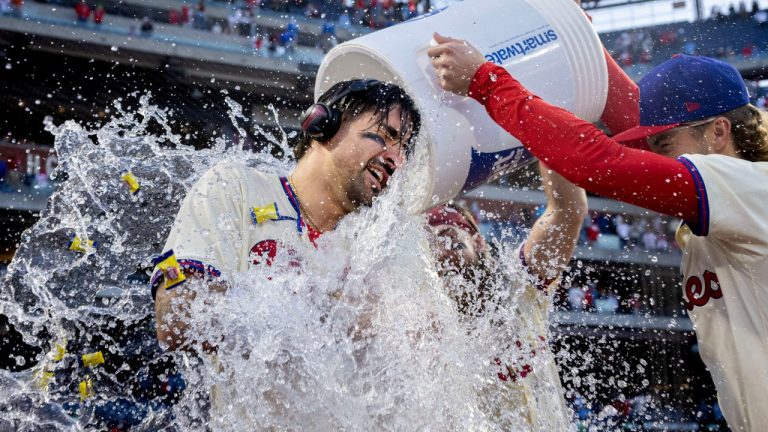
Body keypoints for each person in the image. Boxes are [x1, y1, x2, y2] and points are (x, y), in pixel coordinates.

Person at [427, 14, 768, 430]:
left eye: (663, 143)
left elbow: (597, 162)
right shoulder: (738, 190)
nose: (652, 155)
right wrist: (576, 37)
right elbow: (635, 129)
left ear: (718, 132)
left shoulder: (750, 186)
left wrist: (486, 81)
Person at [152, 78, 421, 352]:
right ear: (323, 123)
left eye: (403, 151)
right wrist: (339, 312)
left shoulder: (373, 253)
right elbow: (179, 319)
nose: (397, 161)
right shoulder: (235, 187)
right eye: (385, 137)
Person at [427, 163, 587, 429]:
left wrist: (550, 127)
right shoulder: (417, 324)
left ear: (477, 241)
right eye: (430, 249)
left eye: (448, 239)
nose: (441, 255)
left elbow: (568, 211)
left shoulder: (518, 286)